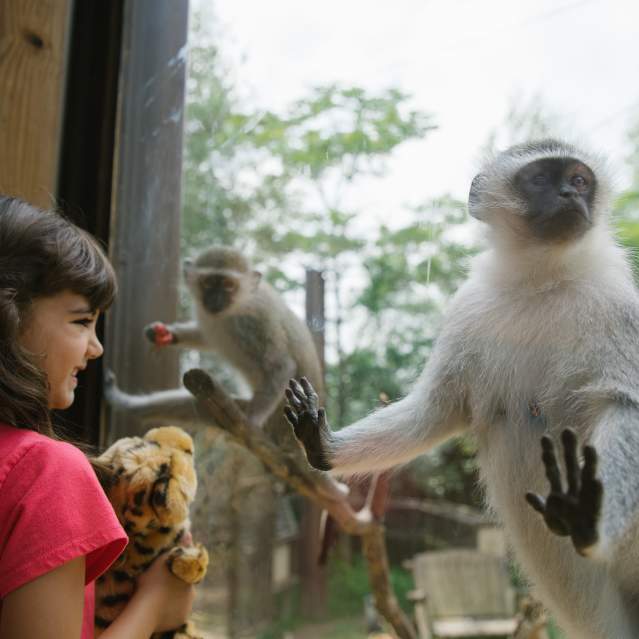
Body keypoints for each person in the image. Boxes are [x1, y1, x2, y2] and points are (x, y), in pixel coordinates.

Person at [0, 196, 195, 639]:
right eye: (82, 321)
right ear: (8, 315)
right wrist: (155, 605)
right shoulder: (44, 472)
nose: (95, 348)